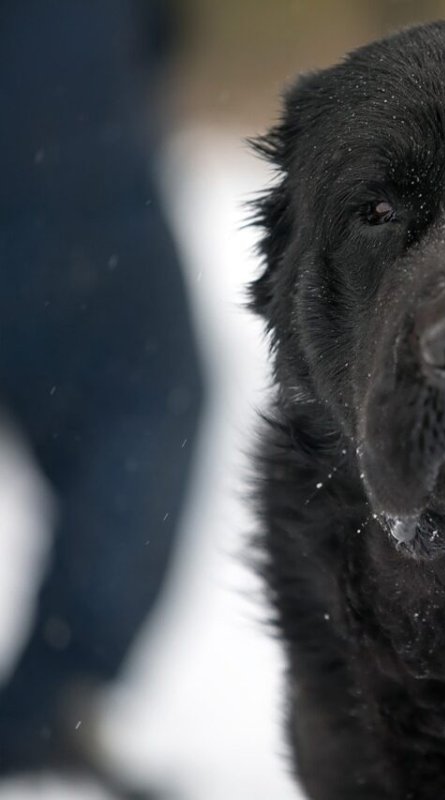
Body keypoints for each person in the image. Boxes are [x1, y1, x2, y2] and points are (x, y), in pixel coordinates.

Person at [0, 1, 204, 795]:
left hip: (73, 139)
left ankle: (51, 700)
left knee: (143, 408)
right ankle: (52, 694)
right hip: (74, 160)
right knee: (144, 405)